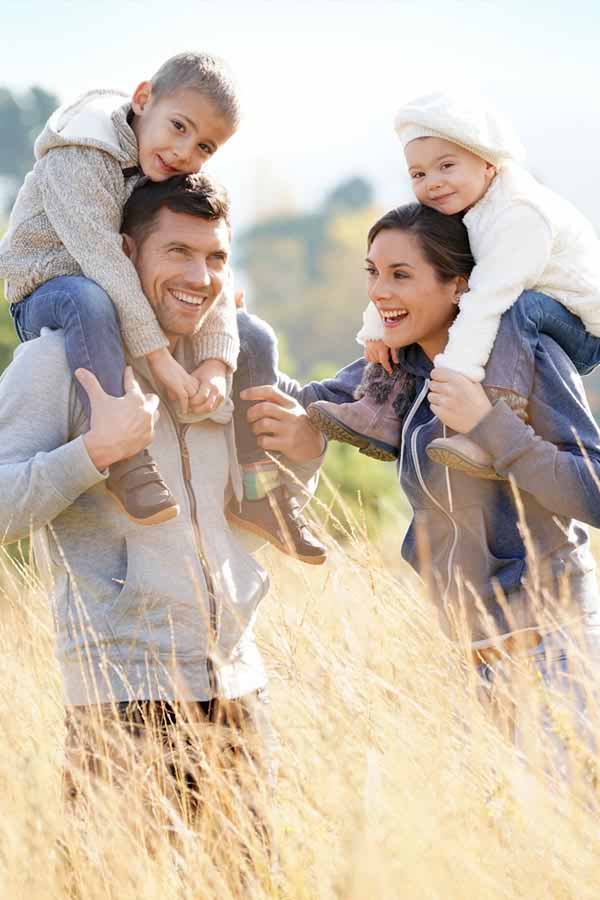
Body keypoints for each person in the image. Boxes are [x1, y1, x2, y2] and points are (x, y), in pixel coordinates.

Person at [0, 173, 324, 848]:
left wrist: (304, 458)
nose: (200, 277)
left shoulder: (227, 365)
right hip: (120, 699)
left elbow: (252, 522)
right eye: (177, 252)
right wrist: (94, 452)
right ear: (124, 255)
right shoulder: (58, 362)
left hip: (239, 688)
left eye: (215, 258)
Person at [243, 203, 600, 750]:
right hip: (474, 656)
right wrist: (235, 331)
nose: (379, 292)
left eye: (401, 275)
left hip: (554, 646)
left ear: (459, 285)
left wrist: (488, 424)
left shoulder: (526, 354)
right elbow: (311, 401)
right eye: (373, 273)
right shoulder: (403, 369)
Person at [0, 51, 325, 562]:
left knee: (253, 334)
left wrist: (217, 364)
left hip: (115, 293)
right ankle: (127, 460)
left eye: (204, 146)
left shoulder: (157, 167)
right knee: (91, 297)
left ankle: (258, 492)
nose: (182, 151)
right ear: (142, 97)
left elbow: (215, 269)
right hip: (50, 286)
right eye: (178, 126)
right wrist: (161, 365)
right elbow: (106, 265)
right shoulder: (81, 155)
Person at [307, 91, 600, 482]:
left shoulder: (520, 215)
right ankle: (379, 411)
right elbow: (399, 267)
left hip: (579, 324)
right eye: (419, 174)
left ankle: (492, 420)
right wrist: (378, 329)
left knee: (516, 307)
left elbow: (488, 300)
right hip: (515, 302)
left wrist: (455, 377)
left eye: (447, 166)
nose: (433, 183)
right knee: (425, 313)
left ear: (488, 164)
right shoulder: (461, 207)